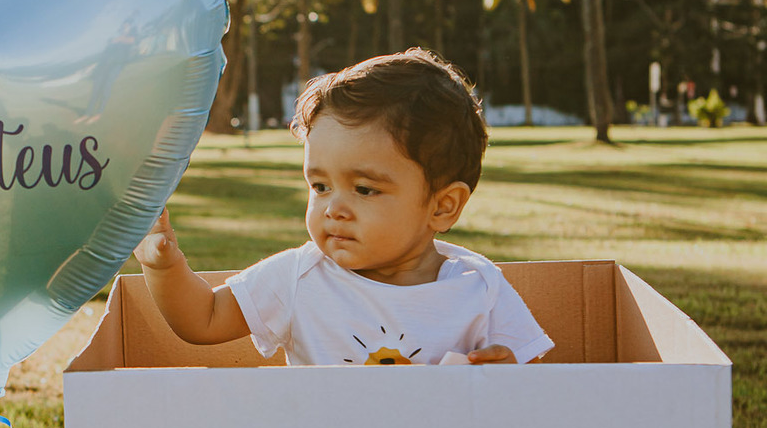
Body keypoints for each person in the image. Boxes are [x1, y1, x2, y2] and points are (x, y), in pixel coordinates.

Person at [134, 48, 552, 367]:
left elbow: (538, 382)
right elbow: (202, 318)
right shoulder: (300, 277)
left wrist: (506, 371)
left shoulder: (479, 286)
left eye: (365, 190)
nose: (334, 208)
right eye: (319, 186)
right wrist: (162, 265)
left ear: (443, 207)